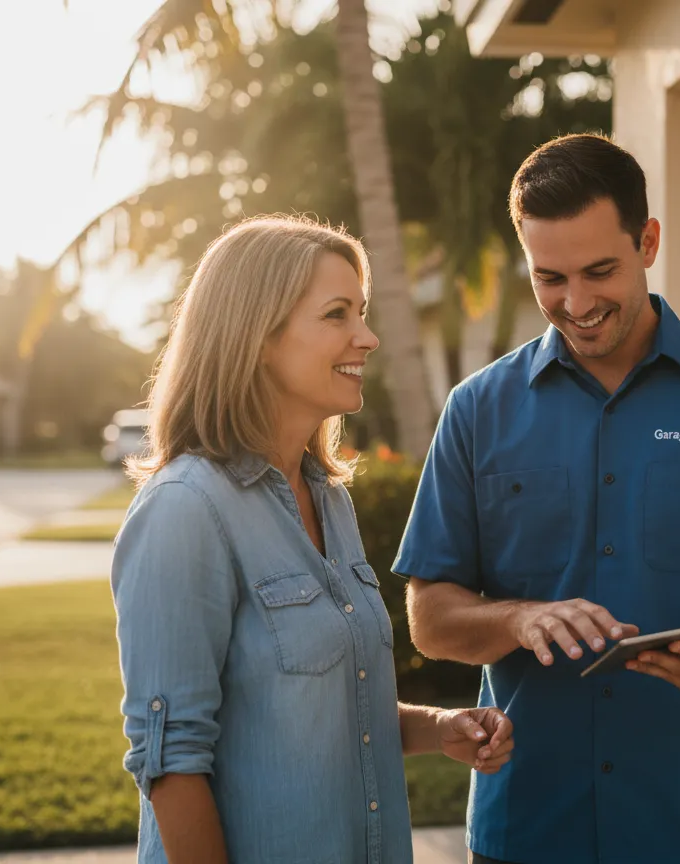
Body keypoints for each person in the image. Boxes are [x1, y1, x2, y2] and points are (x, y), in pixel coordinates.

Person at [392, 134, 680, 864]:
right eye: (549, 278)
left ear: (648, 241)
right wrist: (519, 618)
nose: (576, 305)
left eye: (599, 271)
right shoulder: (476, 410)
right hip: (528, 828)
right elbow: (429, 618)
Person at [110, 215, 514, 864]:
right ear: (258, 336)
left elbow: (337, 705)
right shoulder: (185, 510)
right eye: (337, 314)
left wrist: (439, 729)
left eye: (363, 311)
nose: (369, 336)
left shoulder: (331, 500)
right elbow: (171, 766)